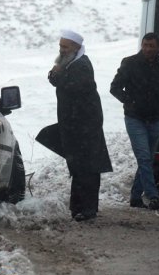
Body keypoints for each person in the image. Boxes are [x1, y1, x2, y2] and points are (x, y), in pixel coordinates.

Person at [48, 29, 112, 222]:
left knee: (88, 169)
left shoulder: (81, 66)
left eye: (65, 47)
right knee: (78, 168)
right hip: (74, 127)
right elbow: (54, 80)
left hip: (86, 128)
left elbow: (72, 88)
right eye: (60, 46)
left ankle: (87, 209)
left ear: (76, 48)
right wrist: (56, 71)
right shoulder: (68, 63)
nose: (62, 50)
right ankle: (77, 208)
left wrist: (58, 73)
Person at [110, 32, 159, 210]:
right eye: (145, 45)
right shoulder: (130, 63)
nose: (147, 49)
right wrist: (129, 102)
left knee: (147, 159)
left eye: (151, 46)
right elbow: (114, 87)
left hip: (155, 118)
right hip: (135, 118)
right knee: (144, 157)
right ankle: (152, 195)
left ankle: (135, 197)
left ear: (158, 47)